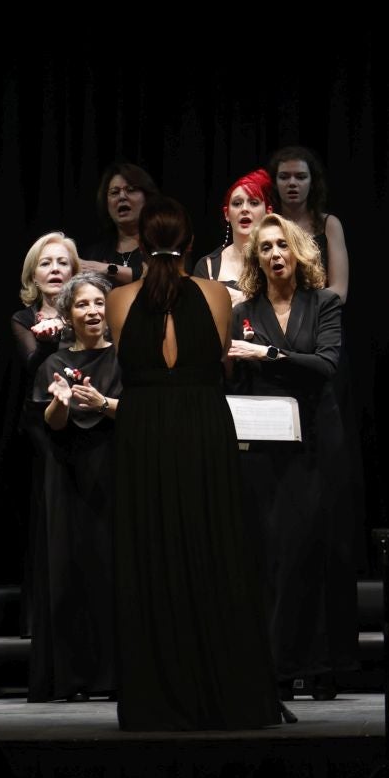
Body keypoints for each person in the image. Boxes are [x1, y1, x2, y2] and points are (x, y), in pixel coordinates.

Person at [105, 196, 285, 730]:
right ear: (188, 243)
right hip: (202, 426)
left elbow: (126, 358)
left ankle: (158, 693)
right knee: (213, 545)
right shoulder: (215, 293)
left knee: (151, 547)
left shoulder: (118, 298)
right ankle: (222, 685)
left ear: (139, 242)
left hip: (143, 429)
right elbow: (222, 358)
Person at [228, 215, 355, 698]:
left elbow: (325, 365)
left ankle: (321, 665)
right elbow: (234, 376)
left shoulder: (323, 303)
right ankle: (276, 666)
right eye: (266, 248)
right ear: (256, 258)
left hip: (317, 440)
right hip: (262, 443)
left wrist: (265, 356)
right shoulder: (245, 309)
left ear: (298, 251)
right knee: (271, 553)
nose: (276, 254)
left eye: (283, 245)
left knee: (314, 549)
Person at [25, 272, 121, 701]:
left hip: (114, 471)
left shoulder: (124, 359)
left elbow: (141, 412)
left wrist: (103, 403)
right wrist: (61, 404)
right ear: (67, 314)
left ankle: (117, 677)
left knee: (113, 572)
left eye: (98, 303)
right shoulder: (53, 363)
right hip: (66, 473)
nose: (92, 312)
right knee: (70, 573)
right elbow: (50, 424)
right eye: (82, 305)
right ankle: (75, 678)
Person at [267, 146, 350, 301]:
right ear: (275, 183)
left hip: (320, 318)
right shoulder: (266, 225)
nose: (292, 183)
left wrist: (297, 307)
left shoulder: (329, 224)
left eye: (301, 177)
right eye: (284, 177)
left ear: (312, 182)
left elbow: (340, 292)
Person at [193, 168, 272, 303]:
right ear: (226, 214)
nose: (244, 209)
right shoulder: (208, 266)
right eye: (237, 203)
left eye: (253, 203)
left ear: (268, 212)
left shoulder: (278, 260)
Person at [78, 163, 157, 287]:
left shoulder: (161, 245)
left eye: (130, 190)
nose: (122, 197)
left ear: (147, 198)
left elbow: (163, 276)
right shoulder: (94, 254)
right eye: (114, 192)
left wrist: (109, 270)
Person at [11, 231, 77, 368]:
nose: (55, 269)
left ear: (73, 274)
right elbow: (32, 366)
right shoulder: (23, 319)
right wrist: (45, 343)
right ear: (34, 276)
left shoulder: (88, 311)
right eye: (45, 263)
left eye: (63, 263)